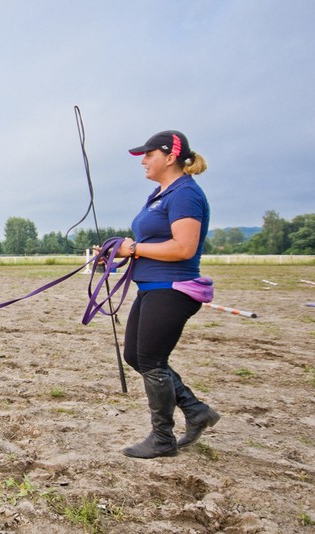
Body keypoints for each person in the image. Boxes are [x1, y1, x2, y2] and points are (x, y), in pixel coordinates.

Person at [114, 130, 220, 459]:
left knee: (151, 360)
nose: (143, 161)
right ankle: (195, 409)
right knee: (136, 355)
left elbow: (184, 247)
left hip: (173, 289)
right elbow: (150, 245)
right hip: (151, 287)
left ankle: (162, 438)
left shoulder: (185, 194)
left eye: (148, 155)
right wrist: (121, 252)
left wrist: (134, 248)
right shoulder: (161, 194)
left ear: (170, 156)